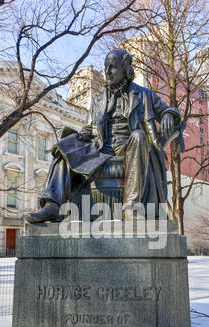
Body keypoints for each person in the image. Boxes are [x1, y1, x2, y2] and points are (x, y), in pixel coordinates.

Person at [26, 49, 183, 223]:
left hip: (130, 146)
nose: (107, 72)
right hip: (101, 148)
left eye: (113, 67)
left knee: (139, 135)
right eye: (106, 67)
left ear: (125, 69)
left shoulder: (146, 95)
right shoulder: (98, 100)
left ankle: (131, 207)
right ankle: (53, 205)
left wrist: (169, 115)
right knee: (65, 145)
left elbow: (170, 111)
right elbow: (89, 128)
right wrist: (75, 141)